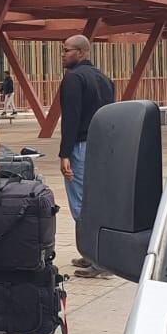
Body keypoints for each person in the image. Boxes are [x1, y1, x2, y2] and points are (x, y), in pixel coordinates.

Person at [57, 35, 115, 278]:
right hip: (102, 146)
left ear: (81, 52)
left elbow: (71, 119)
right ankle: (92, 254)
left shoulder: (74, 79)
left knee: (81, 203)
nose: (63, 55)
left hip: (81, 146)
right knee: (99, 200)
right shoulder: (104, 79)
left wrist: (65, 153)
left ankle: (99, 261)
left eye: (66, 50)